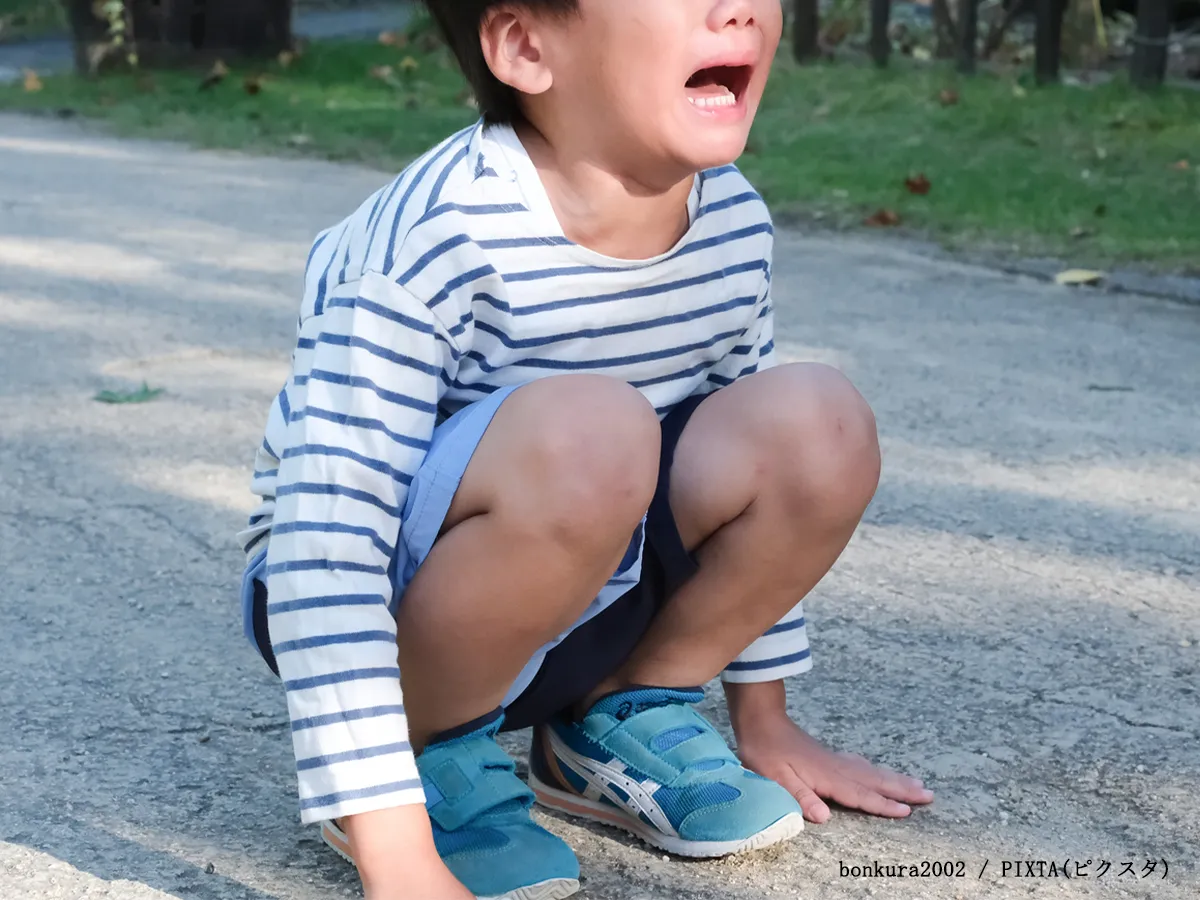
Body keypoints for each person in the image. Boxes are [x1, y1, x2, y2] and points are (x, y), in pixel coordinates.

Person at [237, 1, 933, 897]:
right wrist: (392, 845)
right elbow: (325, 546)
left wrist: (765, 719)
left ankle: (617, 715)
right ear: (526, 46)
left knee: (816, 424)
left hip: (591, 585)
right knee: (595, 432)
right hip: (388, 613)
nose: (737, 10)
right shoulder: (439, 235)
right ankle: (422, 756)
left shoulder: (731, 221)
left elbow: (750, 467)